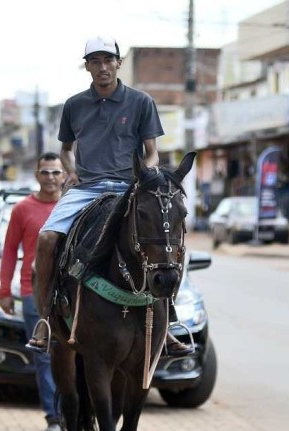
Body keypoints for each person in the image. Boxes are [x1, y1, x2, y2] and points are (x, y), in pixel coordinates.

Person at [30, 36, 192, 357]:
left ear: (118, 63)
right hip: (86, 188)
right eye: (95, 62)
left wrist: (143, 179)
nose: (102, 67)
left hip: (127, 188)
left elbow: (151, 153)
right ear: (87, 67)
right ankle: (45, 319)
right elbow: (65, 149)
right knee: (47, 239)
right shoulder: (74, 105)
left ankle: (169, 319)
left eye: (108, 61)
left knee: (169, 243)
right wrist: (70, 170)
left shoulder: (141, 102)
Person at [0, 152, 64, 431]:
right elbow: (10, 251)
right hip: (32, 292)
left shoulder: (74, 206)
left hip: (72, 293)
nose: (50, 177)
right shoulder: (22, 209)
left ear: (65, 176)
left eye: (55, 172)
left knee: (75, 355)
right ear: (37, 175)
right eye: (45, 172)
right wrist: (4, 291)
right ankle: (53, 416)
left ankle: (72, 411)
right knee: (44, 356)